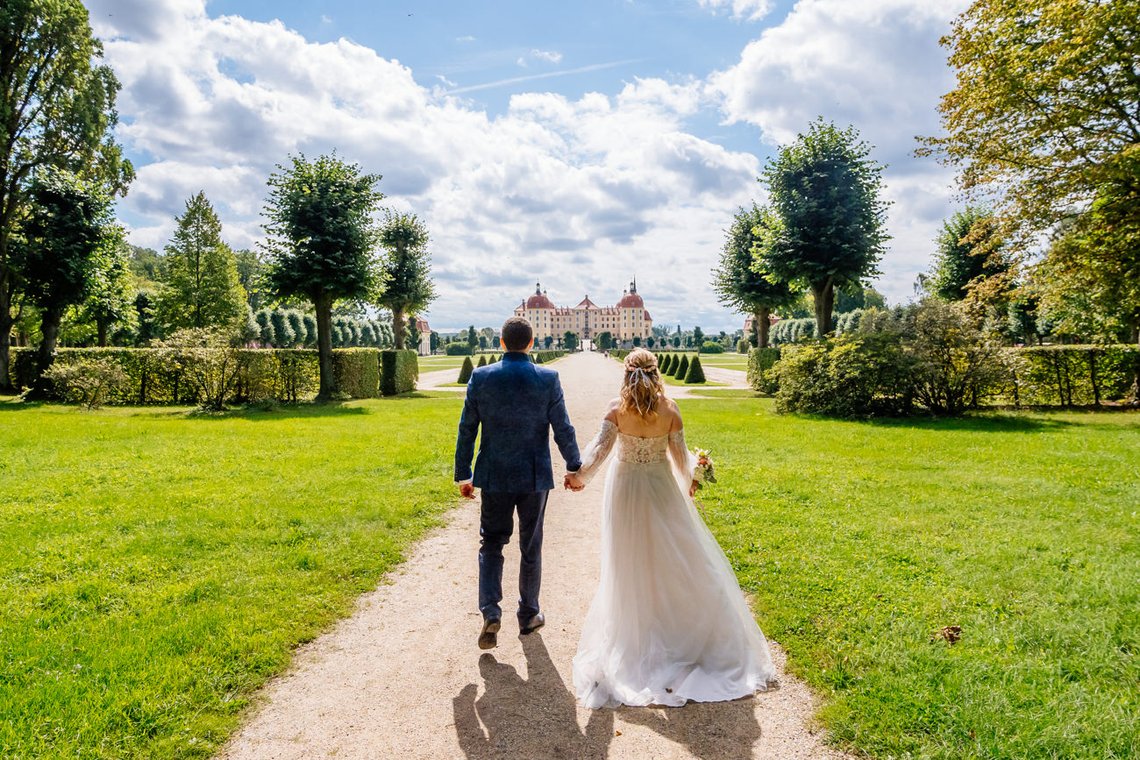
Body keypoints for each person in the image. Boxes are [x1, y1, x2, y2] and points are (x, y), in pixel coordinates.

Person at [565, 348, 776, 708]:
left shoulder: (616, 409)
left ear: (628, 373)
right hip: (660, 486)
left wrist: (579, 477)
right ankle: (681, 631)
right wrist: (696, 475)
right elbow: (681, 461)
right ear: (656, 371)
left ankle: (638, 633)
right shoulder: (671, 409)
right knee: (673, 556)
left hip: (627, 488)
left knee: (628, 560)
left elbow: (598, 453)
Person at [455, 316, 583, 650]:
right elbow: (563, 428)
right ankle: (528, 614)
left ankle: (490, 609)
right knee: (531, 545)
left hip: (494, 474)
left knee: (491, 543)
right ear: (530, 344)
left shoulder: (481, 377)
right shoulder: (547, 378)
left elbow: (467, 428)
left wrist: (463, 474)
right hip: (533, 474)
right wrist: (574, 466)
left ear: (501, 343)